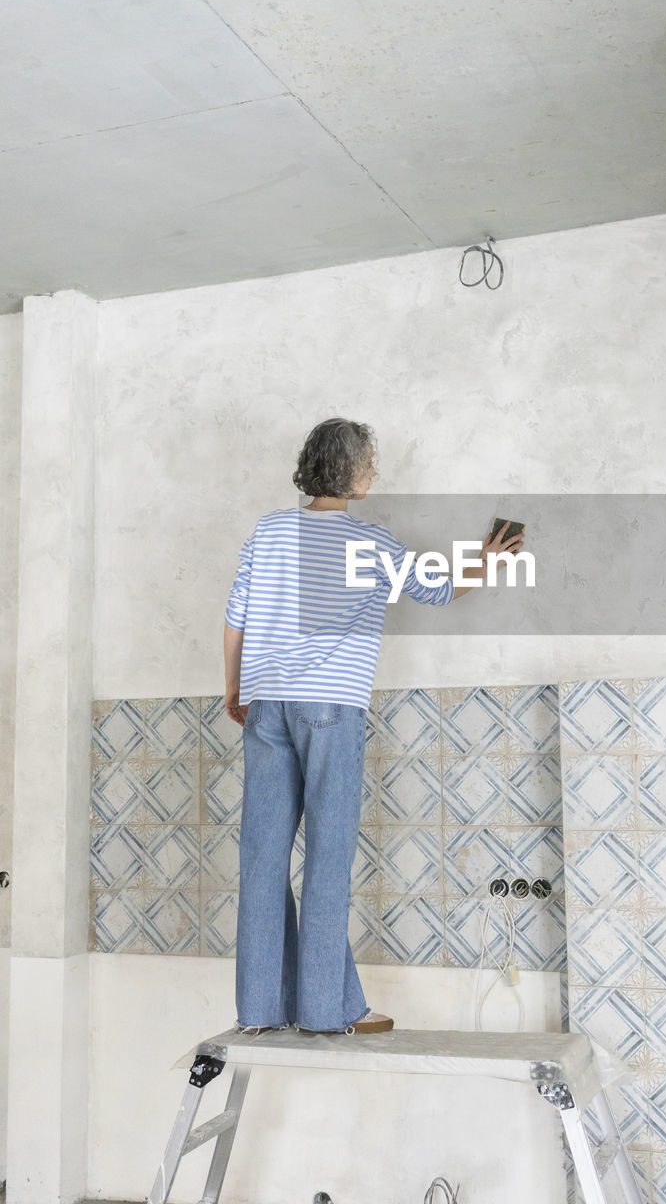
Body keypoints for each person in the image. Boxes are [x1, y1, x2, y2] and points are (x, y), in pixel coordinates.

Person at [224, 417, 524, 1036]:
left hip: (266, 704)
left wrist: (235, 686)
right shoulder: (371, 544)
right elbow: (437, 591)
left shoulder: (270, 530)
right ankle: (324, 1012)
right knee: (327, 862)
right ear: (351, 472)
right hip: (331, 709)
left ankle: (262, 1009)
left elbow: (236, 617)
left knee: (263, 858)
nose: (374, 473)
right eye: (370, 463)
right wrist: (489, 562)